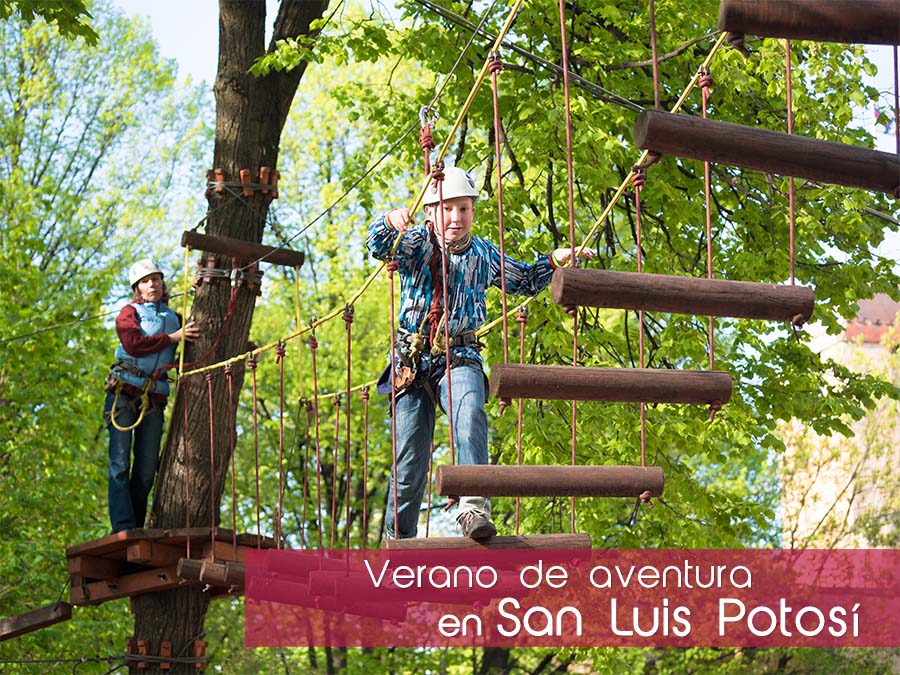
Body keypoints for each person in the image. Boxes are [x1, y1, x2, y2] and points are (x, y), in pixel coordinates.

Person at [366, 167, 593, 539]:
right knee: (409, 460)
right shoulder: (417, 244)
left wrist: (554, 260)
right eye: (447, 209)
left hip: (461, 355)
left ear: (473, 211)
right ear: (430, 213)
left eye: (463, 209)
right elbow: (379, 245)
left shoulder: (483, 253)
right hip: (412, 361)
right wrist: (389, 221)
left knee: (470, 414)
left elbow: (521, 279)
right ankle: (399, 539)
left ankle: (473, 510)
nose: (455, 218)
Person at [103, 259, 199, 533]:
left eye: (156, 279)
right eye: (146, 281)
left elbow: (186, 350)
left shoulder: (173, 318)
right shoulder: (128, 313)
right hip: (123, 393)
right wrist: (172, 338)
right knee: (120, 464)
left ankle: (135, 525)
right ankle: (123, 528)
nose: (152, 284)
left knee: (146, 470)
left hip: (153, 401)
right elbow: (133, 344)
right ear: (137, 288)